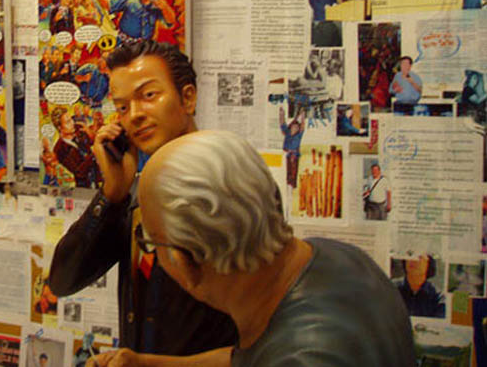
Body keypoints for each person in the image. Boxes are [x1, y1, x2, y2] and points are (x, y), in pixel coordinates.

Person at [111, 129, 415, 367]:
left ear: (185, 260)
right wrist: (146, 363)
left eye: (151, 240)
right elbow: (248, 357)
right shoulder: (336, 257)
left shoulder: (303, 358)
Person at [48, 40, 237, 360]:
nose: (134, 115)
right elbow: (63, 280)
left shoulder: (234, 190)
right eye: (122, 107)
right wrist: (112, 193)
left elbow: (260, 335)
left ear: (188, 98)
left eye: (148, 95)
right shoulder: (137, 197)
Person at [93, 0, 175, 42]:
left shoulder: (156, 7)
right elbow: (108, 4)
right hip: (124, 43)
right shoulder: (129, 0)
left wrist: (165, 8)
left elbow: (170, 23)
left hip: (143, 47)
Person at [279, 107, 304, 190]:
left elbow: (302, 126)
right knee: (288, 174)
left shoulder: (298, 136)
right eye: (294, 127)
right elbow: (282, 123)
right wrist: (281, 114)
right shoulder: (287, 133)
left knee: (293, 173)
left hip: (295, 156)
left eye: (297, 127)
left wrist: (303, 116)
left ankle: (293, 185)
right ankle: (288, 185)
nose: (295, 128)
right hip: (288, 155)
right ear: (291, 127)